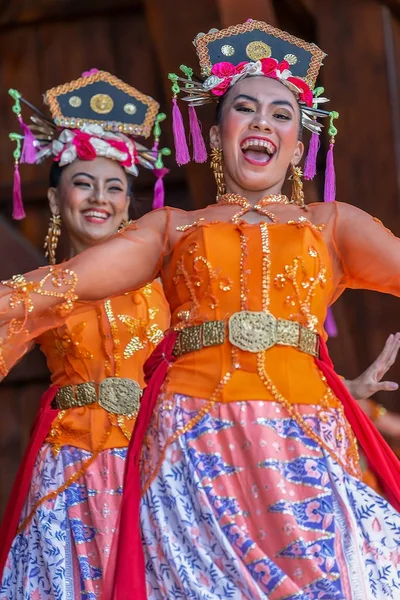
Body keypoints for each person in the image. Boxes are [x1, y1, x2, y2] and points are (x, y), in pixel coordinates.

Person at [0, 19, 400, 599]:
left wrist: (343, 384)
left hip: (306, 439)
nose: (263, 121)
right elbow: (62, 286)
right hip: (194, 445)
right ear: (217, 135)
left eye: (281, 113)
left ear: (299, 141)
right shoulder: (173, 229)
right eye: (245, 108)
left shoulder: (333, 224)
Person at [0, 70, 170, 599]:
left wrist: (339, 388)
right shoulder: (42, 292)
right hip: (71, 466)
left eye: (114, 186)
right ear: (55, 202)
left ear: (128, 204)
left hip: (156, 463)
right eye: (82, 182)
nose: (99, 197)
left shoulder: (168, 286)